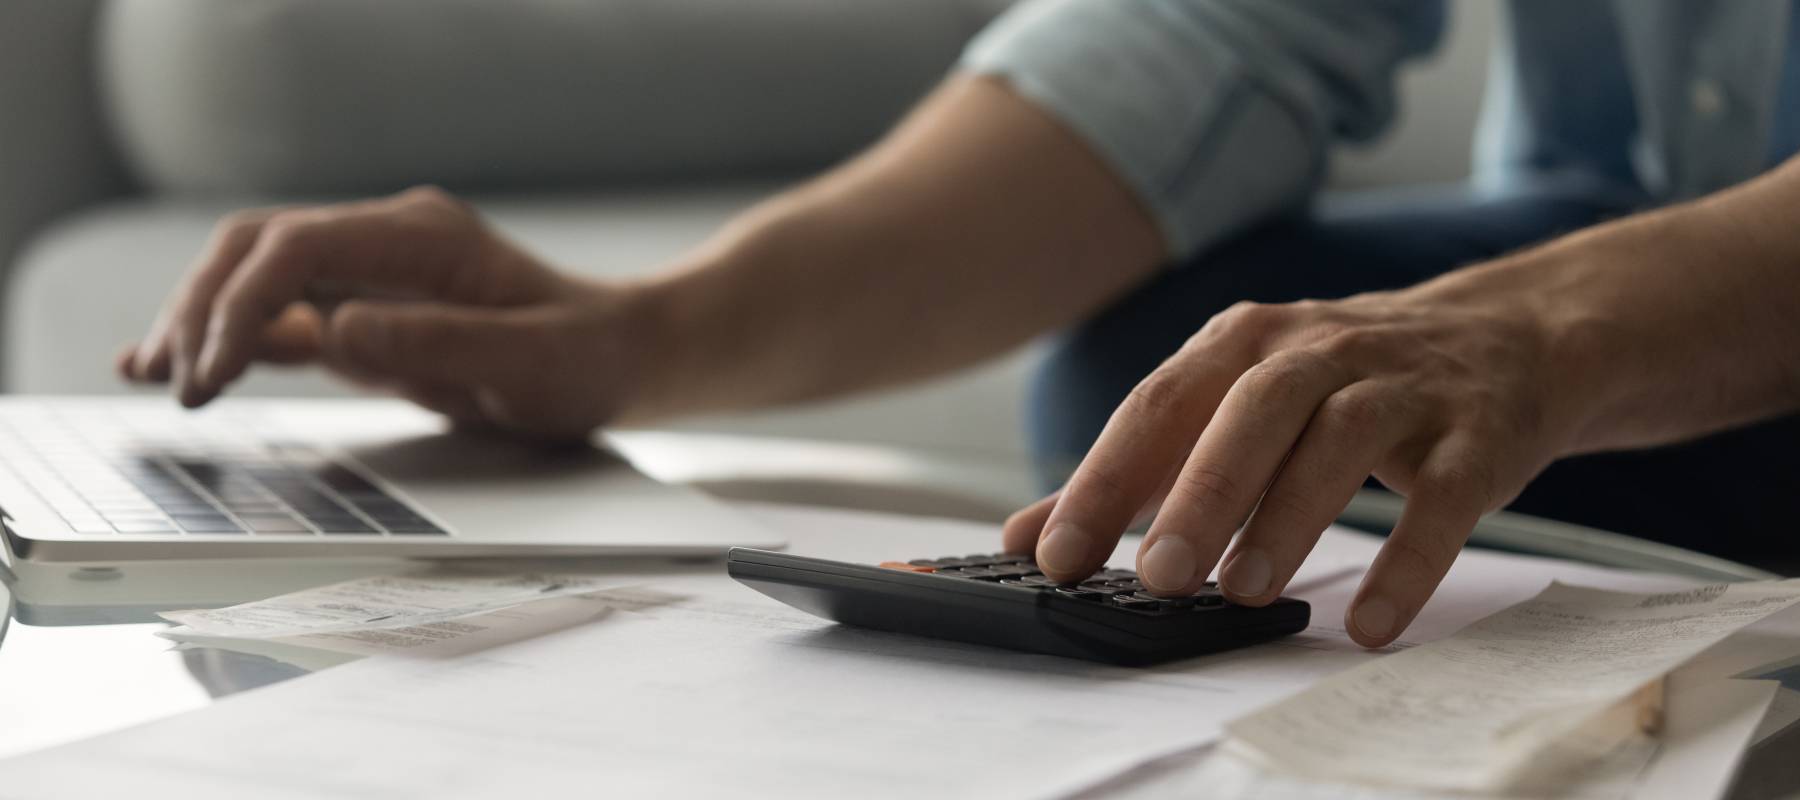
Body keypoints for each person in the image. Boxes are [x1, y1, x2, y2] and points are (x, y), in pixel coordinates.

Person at [117, 1, 1800, 647]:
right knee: (1153, 381)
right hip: (1640, 215)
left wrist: (1561, 328)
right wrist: (651, 334)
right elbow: (1214, 36)